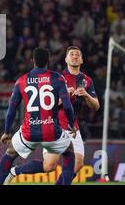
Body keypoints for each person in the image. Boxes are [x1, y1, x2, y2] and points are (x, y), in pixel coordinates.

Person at [0, 47, 77, 185]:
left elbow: (11, 109)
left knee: (10, 153)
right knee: (69, 152)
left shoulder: (21, 80)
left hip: (29, 132)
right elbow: (67, 105)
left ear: (32, 60)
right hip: (52, 132)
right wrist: (71, 124)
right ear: (48, 60)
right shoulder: (57, 78)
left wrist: (7, 132)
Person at [41, 46, 99, 183]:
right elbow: (46, 105)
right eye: (71, 54)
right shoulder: (56, 78)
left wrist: (86, 95)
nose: (75, 56)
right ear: (66, 59)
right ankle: (15, 171)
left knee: (78, 164)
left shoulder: (87, 80)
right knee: (49, 166)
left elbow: (96, 106)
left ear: (82, 60)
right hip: (54, 126)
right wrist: (63, 96)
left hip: (73, 128)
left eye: (77, 54)